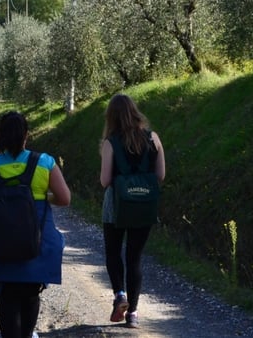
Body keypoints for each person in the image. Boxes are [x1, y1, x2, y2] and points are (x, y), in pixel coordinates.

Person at [0, 111, 72, 338]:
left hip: (0, 244)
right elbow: (65, 199)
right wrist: (43, 196)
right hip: (36, 243)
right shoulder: (45, 163)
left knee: (6, 297)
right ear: (26, 135)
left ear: (0, 136)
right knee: (31, 294)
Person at [99, 94, 166, 329]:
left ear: (111, 117)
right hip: (144, 205)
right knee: (134, 258)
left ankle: (120, 295)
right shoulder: (153, 138)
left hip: (116, 205)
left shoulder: (110, 143)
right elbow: (160, 176)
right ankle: (134, 314)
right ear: (135, 112)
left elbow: (105, 180)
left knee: (113, 252)